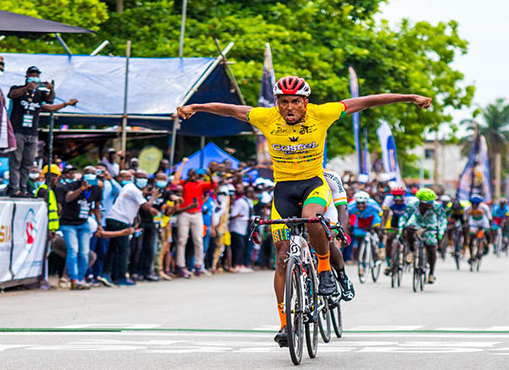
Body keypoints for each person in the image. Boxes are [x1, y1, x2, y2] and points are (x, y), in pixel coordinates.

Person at [177, 74, 431, 346]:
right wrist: (197, 107)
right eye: (283, 102)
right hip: (283, 190)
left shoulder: (322, 113)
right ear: (277, 102)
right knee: (283, 256)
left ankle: (324, 272)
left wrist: (410, 97)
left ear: (305, 102)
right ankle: (285, 325)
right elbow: (230, 110)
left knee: (312, 220)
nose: (289, 108)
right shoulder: (266, 117)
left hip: (313, 185)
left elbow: (366, 101)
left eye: (295, 102)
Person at [7, 66, 77, 197]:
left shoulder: (39, 95)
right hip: (17, 130)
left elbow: (50, 102)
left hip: (32, 132)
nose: (34, 77)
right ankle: (14, 188)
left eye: (36, 75)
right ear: (27, 75)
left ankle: (24, 189)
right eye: (32, 74)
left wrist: (52, 91)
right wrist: (26, 88)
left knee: (28, 162)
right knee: (16, 160)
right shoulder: (17, 89)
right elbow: (11, 95)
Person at [104, 170, 159, 286]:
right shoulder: (133, 189)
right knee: (124, 250)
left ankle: (109, 275)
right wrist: (153, 197)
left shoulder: (130, 187)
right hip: (120, 221)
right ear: (134, 178)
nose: (143, 180)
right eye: (140, 177)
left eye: (145, 178)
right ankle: (121, 277)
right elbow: (146, 206)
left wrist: (143, 194)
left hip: (114, 218)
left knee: (113, 249)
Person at [58, 166, 103, 290]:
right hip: (68, 223)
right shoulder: (74, 185)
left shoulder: (97, 189)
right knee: (73, 250)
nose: (90, 176)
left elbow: (97, 207)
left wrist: (99, 224)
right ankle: (73, 279)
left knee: (84, 252)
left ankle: (81, 278)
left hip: (84, 223)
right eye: (88, 173)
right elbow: (68, 198)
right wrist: (81, 188)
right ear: (83, 174)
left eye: (93, 174)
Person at [397, 188, 447, 284]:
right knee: (409, 229)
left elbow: (442, 219)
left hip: (430, 225)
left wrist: (441, 232)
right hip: (416, 223)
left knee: (431, 246)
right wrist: (401, 229)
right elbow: (404, 217)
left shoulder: (436, 206)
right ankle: (411, 251)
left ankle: (431, 273)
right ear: (420, 202)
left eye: (431, 203)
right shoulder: (412, 205)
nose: (429, 205)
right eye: (427, 203)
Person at [173, 168, 216, 277]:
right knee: (182, 240)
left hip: (197, 214)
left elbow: (213, 185)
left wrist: (209, 175)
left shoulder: (201, 184)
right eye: (191, 173)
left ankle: (198, 265)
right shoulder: (184, 183)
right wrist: (183, 165)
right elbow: (175, 181)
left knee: (198, 240)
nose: (193, 175)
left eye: (194, 173)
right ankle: (181, 265)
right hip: (184, 213)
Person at [322, 169, 354, 301]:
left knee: (326, 240)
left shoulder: (330, 177)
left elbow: (342, 208)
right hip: (303, 213)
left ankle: (342, 276)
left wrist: (342, 231)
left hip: (327, 212)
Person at [228, 185, 255, 273]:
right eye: (249, 191)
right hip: (237, 227)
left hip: (245, 227)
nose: (251, 193)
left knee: (243, 246)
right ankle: (235, 265)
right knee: (238, 247)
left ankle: (241, 264)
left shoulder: (249, 201)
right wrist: (239, 216)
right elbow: (233, 214)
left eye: (252, 191)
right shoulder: (240, 202)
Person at [465, 195, 491, 265]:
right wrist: (466, 225)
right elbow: (466, 219)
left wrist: (489, 227)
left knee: (488, 233)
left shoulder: (484, 207)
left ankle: (487, 245)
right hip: (473, 222)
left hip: (483, 221)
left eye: (476, 205)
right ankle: (471, 256)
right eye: (473, 204)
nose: (474, 206)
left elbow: (489, 217)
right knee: (471, 237)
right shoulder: (467, 208)